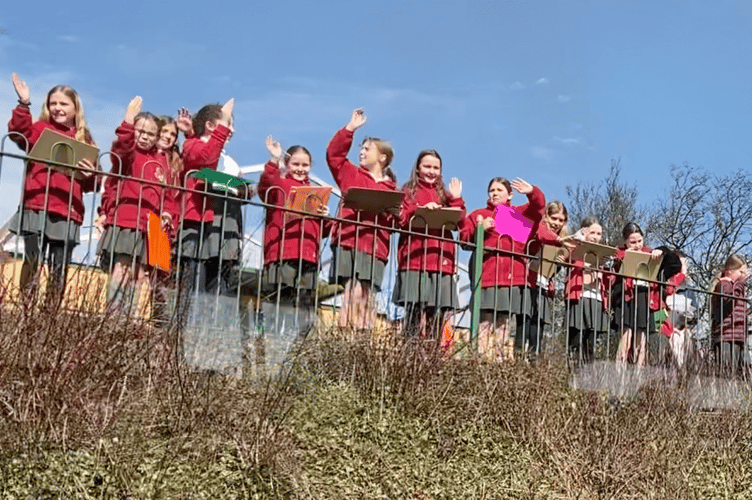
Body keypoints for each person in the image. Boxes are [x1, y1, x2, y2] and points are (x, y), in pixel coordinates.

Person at [7, 73, 98, 300]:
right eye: (53, 103)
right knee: (32, 262)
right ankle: (27, 315)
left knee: (59, 268)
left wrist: (90, 176)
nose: (57, 108)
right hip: (36, 205)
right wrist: (23, 103)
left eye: (63, 104)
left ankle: (50, 319)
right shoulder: (39, 129)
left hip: (67, 211)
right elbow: (18, 134)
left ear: (75, 108)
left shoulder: (84, 138)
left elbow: (92, 183)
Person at [97, 97, 172, 312]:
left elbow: (165, 194)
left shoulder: (159, 163)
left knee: (140, 275)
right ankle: (113, 314)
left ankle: (133, 318)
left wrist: (165, 212)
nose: (145, 137)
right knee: (122, 269)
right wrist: (128, 121)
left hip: (149, 225)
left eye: (150, 134)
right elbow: (121, 147)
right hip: (127, 219)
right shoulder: (128, 156)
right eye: (140, 131)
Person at [326, 109, 398, 332]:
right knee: (352, 290)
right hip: (349, 240)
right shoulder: (351, 174)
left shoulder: (392, 188)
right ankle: (346, 335)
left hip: (376, 247)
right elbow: (334, 155)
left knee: (367, 293)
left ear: (382, 157)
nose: (362, 152)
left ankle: (363, 337)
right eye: (361, 148)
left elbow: (397, 221)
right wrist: (350, 129)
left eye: (367, 149)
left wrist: (397, 213)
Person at [460, 177, 545, 362]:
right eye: (492, 190)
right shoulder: (479, 214)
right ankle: (480, 362)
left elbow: (538, 209)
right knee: (484, 322)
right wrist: (480, 230)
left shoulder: (517, 214)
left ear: (510, 194)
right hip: (486, 276)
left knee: (504, 324)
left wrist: (532, 192)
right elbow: (464, 239)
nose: (495, 193)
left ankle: (499, 364)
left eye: (499, 189)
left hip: (511, 278)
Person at [393, 149, 465, 340]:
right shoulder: (408, 191)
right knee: (415, 310)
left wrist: (456, 198)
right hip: (416, 261)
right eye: (427, 166)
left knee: (437, 314)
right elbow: (400, 219)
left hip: (441, 263)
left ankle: (433, 359)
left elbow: (462, 222)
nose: (431, 171)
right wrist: (420, 211)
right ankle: (410, 357)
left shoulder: (446, 195)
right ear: (418, 168)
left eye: (436, 167)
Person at [178, 99, 240, 298]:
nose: (232, 130)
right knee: (193, 277)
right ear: (210, 126)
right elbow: (206, 159)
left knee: (217, 282)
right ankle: (183, 324)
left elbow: (239, 189)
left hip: (222, 226)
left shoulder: (229, 161)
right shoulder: (191, 145)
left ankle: (210, 325)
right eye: (228, 123)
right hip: (197, 220)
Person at [257, 136, 329, 305]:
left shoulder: (316, 192)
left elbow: (321, 232)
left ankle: (301, 333)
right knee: (280, 299)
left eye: (305, 165)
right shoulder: (280, 184)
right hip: (282, 251)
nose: (300, 169)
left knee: (305, 303)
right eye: (295, 164)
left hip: (309, 255)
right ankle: (274, 332)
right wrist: (275, 158)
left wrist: (324, 218)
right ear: (287, 164)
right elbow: (265, 186)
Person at [612, 222, 663, 366]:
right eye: (632, 242)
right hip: (627, 297)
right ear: (625, 242)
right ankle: (620, 372)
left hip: (644, 296)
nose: (637, 245)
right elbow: (613, 271)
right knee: (626, 337)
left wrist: (661, 251)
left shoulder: (650, 253)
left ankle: (639, 373)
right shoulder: (618, 254)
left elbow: (672, 263)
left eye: (640, 241)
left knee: (642, 339)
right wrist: (624, 257)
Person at [526, 200, 572, 357]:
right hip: (528, 282)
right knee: (525, 321)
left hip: (544, 286)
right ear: (546, 216)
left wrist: (560, 262)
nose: (557, 223)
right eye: (554, 218)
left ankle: (534, 359)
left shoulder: (564, 241)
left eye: (561, 220)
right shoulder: (539, 230)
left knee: (538, 325)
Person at [564, 217, 611, 363]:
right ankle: (573, 375)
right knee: (576, 339)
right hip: (579, 297)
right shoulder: (576, 250)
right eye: (593, 233)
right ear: (585, 232)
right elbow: (578, 275)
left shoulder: (602, 255)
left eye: (599, 234)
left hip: (596, 299)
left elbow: (607, 282)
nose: (596, 237)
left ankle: (587, 377)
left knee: (591, 343)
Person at [710, 254, 750, 375]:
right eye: (741, 272)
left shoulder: (736, 287)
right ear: (730, 270)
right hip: (726, 336)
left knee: (743, 372)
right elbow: (728, 300)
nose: (743, 275)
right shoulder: (723, 284)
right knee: (727, 373)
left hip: (738, 336)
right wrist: (741, 283)